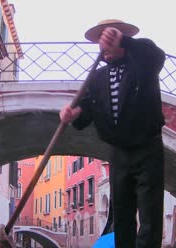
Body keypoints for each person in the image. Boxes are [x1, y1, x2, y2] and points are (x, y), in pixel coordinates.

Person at [59, 19, 166, 247]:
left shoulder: (143, 64)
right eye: (102, 41)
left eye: (109, 40)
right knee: (122, 214)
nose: (104, 46)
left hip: (148, 148)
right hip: (118, 154)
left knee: (149, 214)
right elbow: (85, 114)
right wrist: (73, 115)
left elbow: (155, 54)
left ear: (122, 40)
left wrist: (124, 40)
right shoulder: (96, 78)